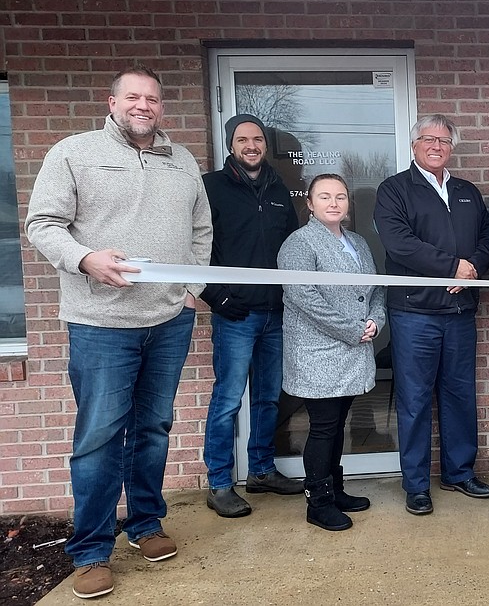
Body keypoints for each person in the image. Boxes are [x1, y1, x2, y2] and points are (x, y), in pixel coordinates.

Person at [24, 65, 212, 599]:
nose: (143, 106)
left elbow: (201, 228)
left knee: (153, 428)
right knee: (100, 437)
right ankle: (90, 551)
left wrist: (191, 284)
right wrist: (84, 258)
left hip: (168, 321)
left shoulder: (182, 162)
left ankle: (146, 524)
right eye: (133, 97)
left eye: (152, 98)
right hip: (101, 324)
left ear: (161, 107)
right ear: (112, 102)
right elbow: (42, 223)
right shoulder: (73, 152)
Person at [375, 114, 489, 517]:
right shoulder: (394, 190)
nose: (436, 146)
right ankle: (415, 484)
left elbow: (488, 238)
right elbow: (399, 244)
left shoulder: (466, 191)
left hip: (461, 311)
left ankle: (459, 473)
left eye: (444, 141)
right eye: (429, 139)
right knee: (414, 400)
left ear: (452, 148)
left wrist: (473, 267)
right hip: (415, 312)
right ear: (414, 145)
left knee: (460, 395)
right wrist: (451, 267)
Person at [200, 114, 302, 518]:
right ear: (231, 145)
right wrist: (214, 296)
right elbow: (196, 244)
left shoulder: (279, 188)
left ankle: (262, 470)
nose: (251, 145)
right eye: (242, 139)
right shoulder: (211, 187)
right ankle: (220, 483)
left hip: (275, 312)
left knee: (267, 398)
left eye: (258, 139)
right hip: (234, 315)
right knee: (227, 400)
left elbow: (292, 249)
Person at [277, 173, 385, 531]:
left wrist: (375, 320)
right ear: (309, 204)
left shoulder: (357, 241)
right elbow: (304, 298)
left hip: (354, 349)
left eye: (340, 196)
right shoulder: (299, 244)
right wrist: (353, 330)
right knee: (323, 426)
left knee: (338, 424)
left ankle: (335, 489)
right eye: (324, 197)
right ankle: (318, 501)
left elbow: (376, 288)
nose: (333, 203)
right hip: (318, 351)